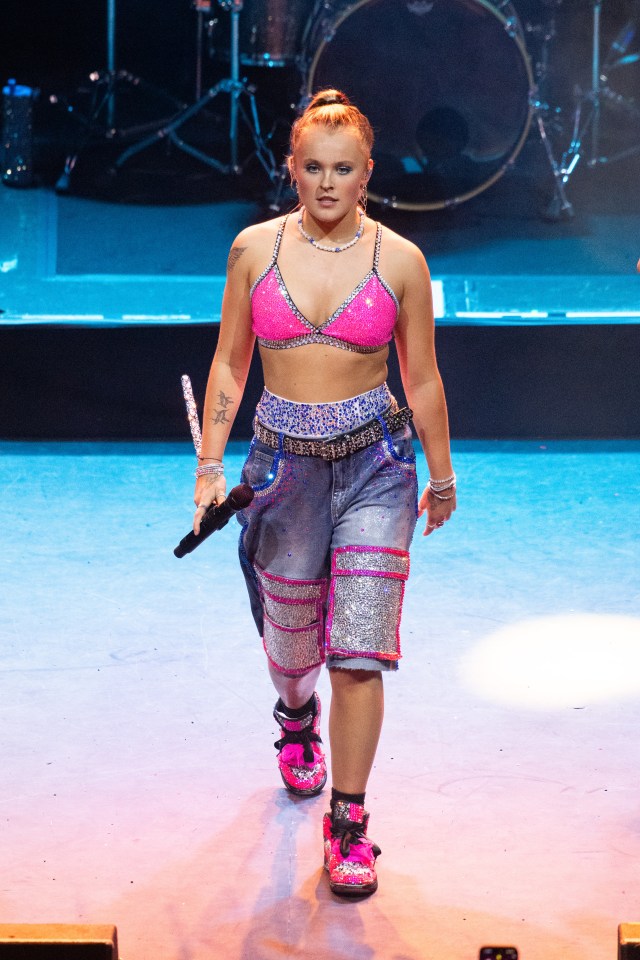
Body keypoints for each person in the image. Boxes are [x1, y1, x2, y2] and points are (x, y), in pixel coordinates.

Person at [192, 89, 456, 898]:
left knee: (359, 653)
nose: (328, 183)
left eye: (344, 169)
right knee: (293, 652)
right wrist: (209, 467)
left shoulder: (401, 261)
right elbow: (230, 362)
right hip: (281, 472)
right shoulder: (254, 250)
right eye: (314, 168)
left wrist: (442, 475)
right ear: (293, 169)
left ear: (367, 172)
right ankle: (295, 717)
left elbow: (422, 377)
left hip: (378, 467)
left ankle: (349, 822)